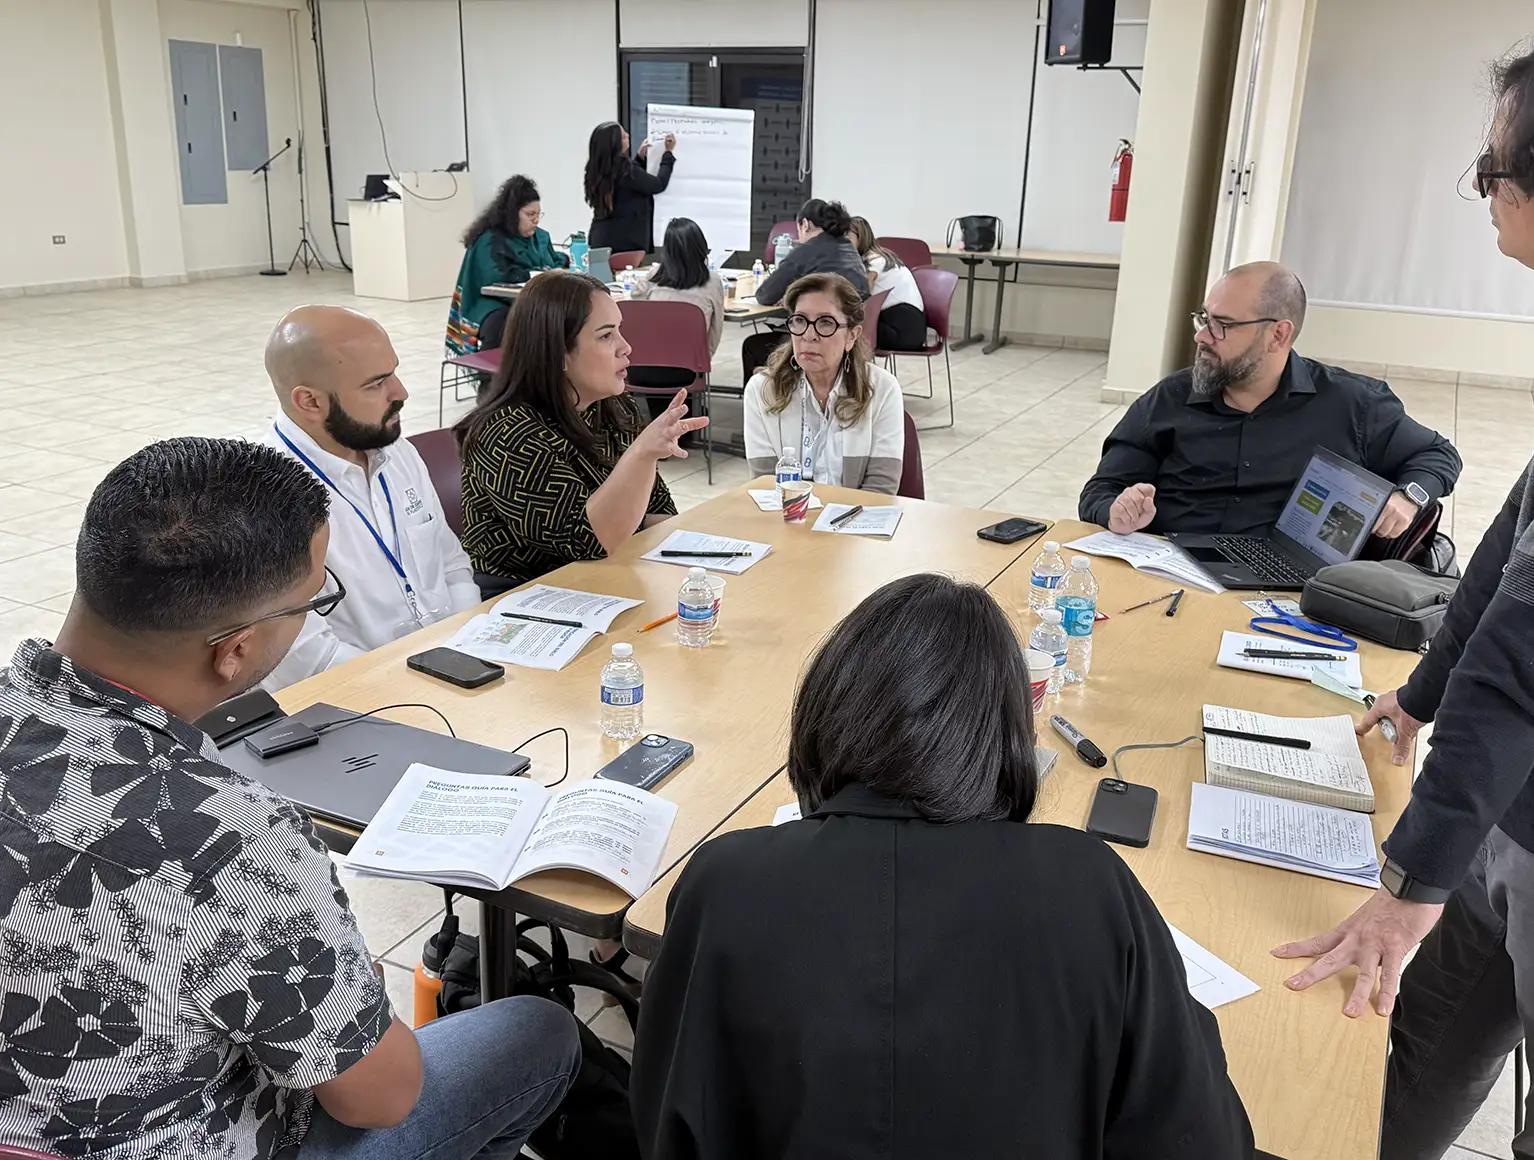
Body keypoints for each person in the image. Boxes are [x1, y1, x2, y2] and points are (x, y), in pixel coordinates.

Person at [1271, 18, 1534, 1160]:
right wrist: (1415, 697)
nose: (1483, 191)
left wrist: (1409, 880)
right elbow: (1513, 552)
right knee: (1397, 1067)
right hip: (1523, 797)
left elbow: (1531, 650)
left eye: (1496, 168)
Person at [0, 437, 577, 1159]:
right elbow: (382, 1097)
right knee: (533, 1035)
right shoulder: (230, 837)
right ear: (233, 650)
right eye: (313, 602)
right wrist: (353, 989)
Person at [629, 573, 1254, 1159]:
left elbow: (665, 1121)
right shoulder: (1088, 883)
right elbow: (1202, 1139)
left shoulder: (726, 882)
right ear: (1005, 736)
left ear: (824, 714)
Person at [1079, 262, 1461, 542]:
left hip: (1289, 592)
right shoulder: (1169, 400)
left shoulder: (1352, 404)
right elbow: (1101, 491)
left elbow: (1438, 456)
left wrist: (1410, 496)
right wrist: (1117, 512)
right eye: (1204, 319)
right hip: (1169, 570)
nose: (1202, 337)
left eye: (1222, 325)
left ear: (1278, 335)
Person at [261, 305, 480, 692]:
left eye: (394, 372)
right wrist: (417, 685)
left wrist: (465, 643)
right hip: (356, 699)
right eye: (376, 384)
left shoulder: (394, 450)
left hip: (451, 665)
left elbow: (450, 562)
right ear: (309, 402)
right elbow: (304, 655)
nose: (401, 393)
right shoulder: (262, 496)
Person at [457, 270, 708, 597]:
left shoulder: (614, 406)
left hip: (605, 584)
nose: (626, 347)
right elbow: (589, 541)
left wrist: (693, 569)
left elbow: (656, 511)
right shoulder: (506, 434)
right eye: (606, 336)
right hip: (525, 604)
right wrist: (642, 453)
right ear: (558, 352)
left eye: (620, 330)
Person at [742, 272, 905, 494]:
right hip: (786, 521)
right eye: (800, 321)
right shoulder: (762, 390)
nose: (809, 335)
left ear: (852, 335)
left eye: (825, 323)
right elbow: (765, 486)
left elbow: (881, 488)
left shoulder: (881, 389)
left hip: (854, 522)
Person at [744, 199, 870, 382]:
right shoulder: (847, 247)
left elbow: (765, 295)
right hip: (848, 337)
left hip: (820, 339)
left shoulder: (808, 249)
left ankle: (762, 403)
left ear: (804, 224)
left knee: (752, 346)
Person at [447, 174, 567, 353]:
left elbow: (552, 260)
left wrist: (566, 261)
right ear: (512, 213)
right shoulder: (490, 240)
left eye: (538, 214)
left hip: (530, 301)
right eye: (530, 214)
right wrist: (536, 275)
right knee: (504, 325)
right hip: (490, 303)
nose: (536, 220)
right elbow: (494, 278)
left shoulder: (540, 237)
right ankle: (491, 379)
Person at [627, 216, 725, 393]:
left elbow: (634, 301)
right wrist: (704, 361)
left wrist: (651, 274)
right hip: (687, 372)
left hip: (640, 368)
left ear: (667, 251)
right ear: (701, 247)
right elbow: (715, 331)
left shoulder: (655, 276)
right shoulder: (712, 281)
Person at [585, 120, 674, 257]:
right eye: (623, 136)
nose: (628, 135)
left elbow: (625, 188)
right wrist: (668, 155)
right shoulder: (626, 170)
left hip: (600, 239)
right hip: (625, 243)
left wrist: (639, 158)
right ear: (615, 144)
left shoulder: (596, 168)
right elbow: (658, 184)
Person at [850, 214, 928, 350]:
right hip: (910, 328)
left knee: (847, 331)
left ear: (860, 238)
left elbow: (862, 293)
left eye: (847, 238)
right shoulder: (883, 256)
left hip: (903, 331)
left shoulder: (874, 260)